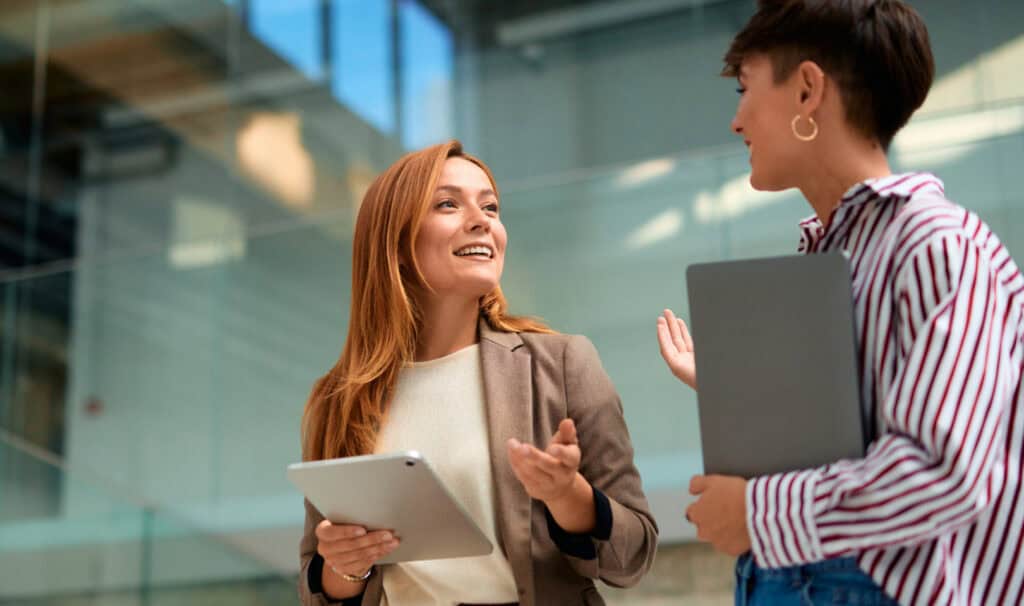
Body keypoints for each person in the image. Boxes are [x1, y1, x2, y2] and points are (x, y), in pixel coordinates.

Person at [656, 1, 1024, 604]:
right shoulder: (832, 254)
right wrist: (735, 394)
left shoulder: (938, 242)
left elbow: (945, 471)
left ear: (806, 91)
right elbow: (852, 432)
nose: (736, 122)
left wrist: (757, 512)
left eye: (745, 89)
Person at [298, 140, 657, 606]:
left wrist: (569, 496)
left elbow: (633, 557)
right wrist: (346, 564)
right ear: (397, 246)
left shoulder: (564, 364)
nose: (482, 220)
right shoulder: (339, 398)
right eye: (448, 204)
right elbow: (319, 589)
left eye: (490, 206)